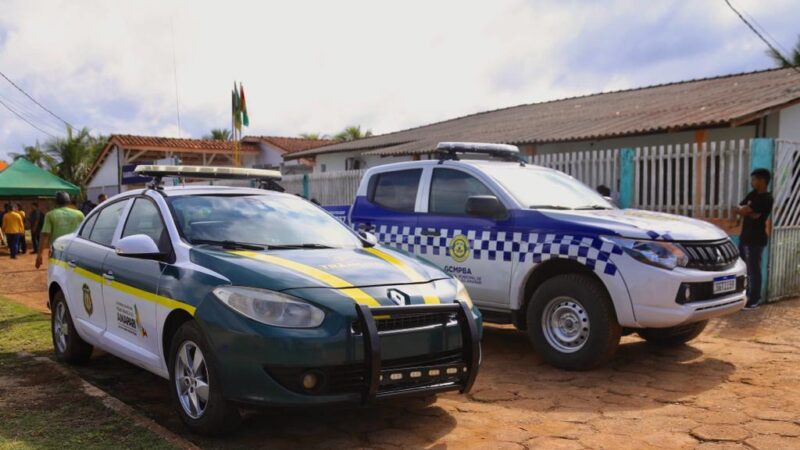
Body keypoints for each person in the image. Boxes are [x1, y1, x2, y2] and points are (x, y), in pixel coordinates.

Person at [736, 168, 774, 310]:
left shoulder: (767, 198)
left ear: (762, 181)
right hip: (744, 237)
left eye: (754, 180)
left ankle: (754, 300)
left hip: (757, 240)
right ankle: (744, 296)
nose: (752, 182)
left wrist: (746, 210)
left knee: (754, 270)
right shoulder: (752, 194)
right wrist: (747, 210)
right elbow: (740, 207)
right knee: (743, 269)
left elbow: (746, 210)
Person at [35, 192, 84, 269]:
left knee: (56, 274)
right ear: (69, 201)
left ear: (55, 202)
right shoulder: (79, 214)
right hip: (75, 250)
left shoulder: (50, 215)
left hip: (57, 252)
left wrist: (40, 254)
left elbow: (45, 235)